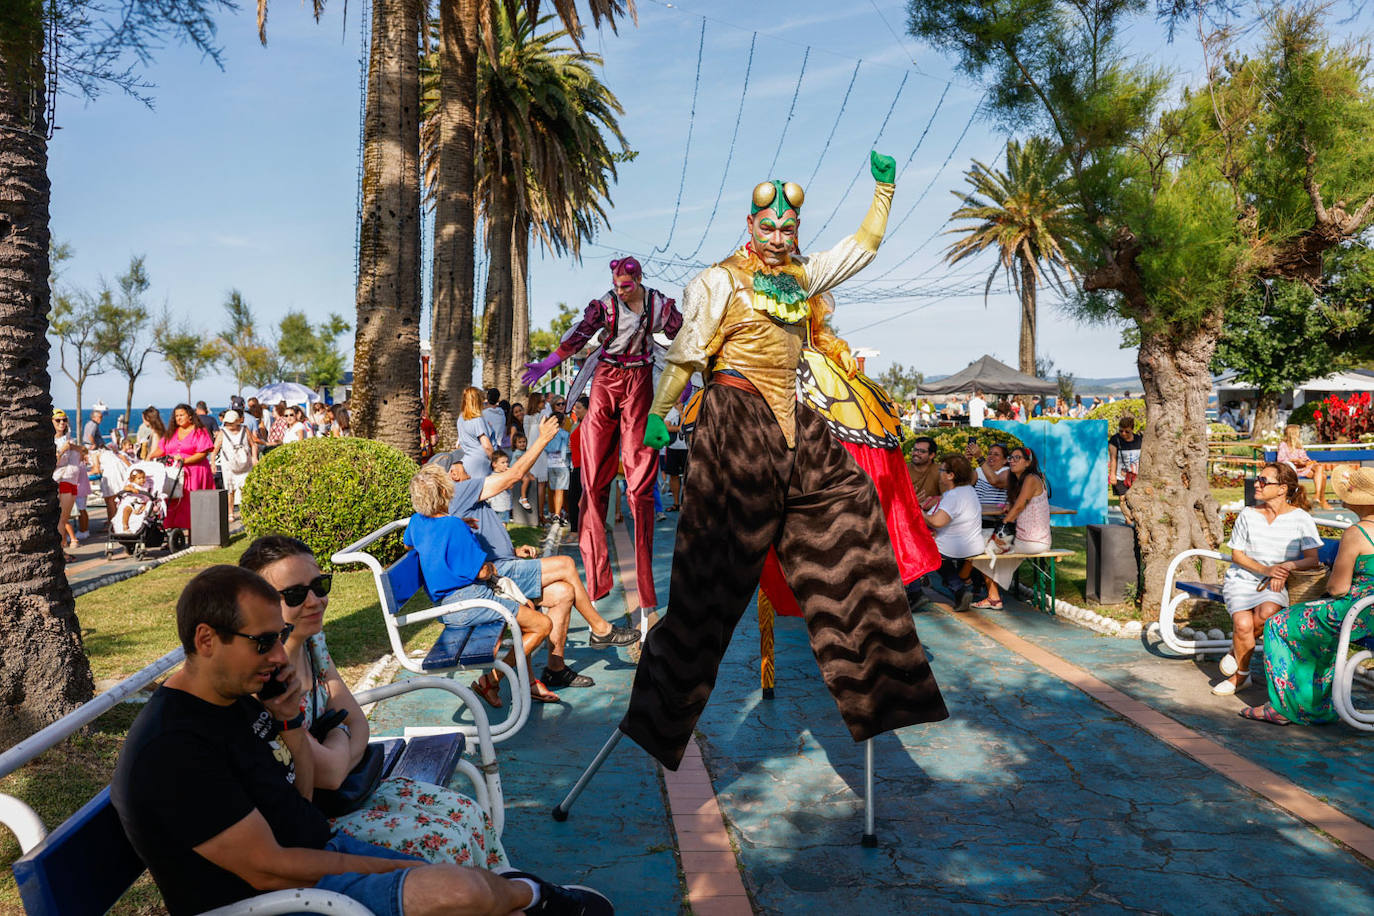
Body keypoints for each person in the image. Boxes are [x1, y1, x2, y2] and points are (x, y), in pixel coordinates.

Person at [621, 152, 948, 770]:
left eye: (787, 229)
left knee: (851, 518)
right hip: (733, 419)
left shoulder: (804, 276)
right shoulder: (719, 281)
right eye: (767, 228)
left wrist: (884, 190)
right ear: (749, 226)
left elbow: (863, 247)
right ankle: (658, 720)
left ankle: (882, 690)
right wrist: (663, 413)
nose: (777, 237)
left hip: (795, 422)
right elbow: (689, 354)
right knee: (708, 583)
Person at [110, 564, 612, 916]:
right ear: (205, 640)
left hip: (314, 857)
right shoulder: (173, 749)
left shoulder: (236, 697)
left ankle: (528, 897)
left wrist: (289, 723)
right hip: (278, 900)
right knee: (462, 891)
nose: (278, 657)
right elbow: (269, 871)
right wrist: (387, 865)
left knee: (472, 889)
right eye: (263, 642)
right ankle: (535, 895)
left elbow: (297, 802)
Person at [239, 536, 508, 865]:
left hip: (353, 790)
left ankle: (512, 897)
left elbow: (358, 725)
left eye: (320, 586)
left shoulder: (312, 642)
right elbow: (331, 772)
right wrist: (341, 734)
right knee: (448, 843)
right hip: (322, 819)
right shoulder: (265, 681)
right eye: (295, 594)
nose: (315, 601)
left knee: (469, 814)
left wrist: (339, 741)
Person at [521, 256, 684, 616]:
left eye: (626, 284)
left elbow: (685, 337)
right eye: (616, 283)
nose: (620, 290)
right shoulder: (605, 307)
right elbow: (578, 336)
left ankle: (646, 596)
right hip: (607, 381)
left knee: (641, 487)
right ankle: (597, 582)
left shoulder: (658, 305)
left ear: (638, 280)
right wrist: (547, 363)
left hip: (640, 380)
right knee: (593, 483)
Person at [442, 419, 640, 692]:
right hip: (498, 575)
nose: (468, 467)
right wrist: (542, 440)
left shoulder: (460, 496)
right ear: (452, 474)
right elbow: (513, 477)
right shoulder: (458, 491)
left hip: (504, 565)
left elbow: (473, 541)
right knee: (567, 564)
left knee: (562, 593)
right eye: (461, 464)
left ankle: (554, 670)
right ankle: (600, 629)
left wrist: (512, 550)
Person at [405, 464, 558, 705]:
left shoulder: (416, 522)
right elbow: (482, 571)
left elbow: (409, 545)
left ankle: (496, 682)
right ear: (445, 493)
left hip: (447, 606)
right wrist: (492, 568)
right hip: (470, 602)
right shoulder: (454, 526)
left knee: (527, 607)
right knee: (542, 625)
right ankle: (493, 679)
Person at [1243, 467, 1374, 725]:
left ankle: (1284, 707)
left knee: (1279, 624)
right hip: (1368, 612)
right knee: (1316, 631)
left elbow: (1338, 589)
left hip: (1356, 612)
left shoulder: (1357, 534)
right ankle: (1315, 705)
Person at [1211, 462, 1322, 697]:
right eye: (1257, 479)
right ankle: (1240, 676)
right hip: (1242, 579)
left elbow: (1312, 559)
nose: (1257, 484)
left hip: (1274, 583)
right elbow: (1237, 555)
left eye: (1264, 481)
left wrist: (1286, 566)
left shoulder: (1301, 519)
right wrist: (1267, 569)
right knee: (1243, 625)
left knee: (1268, 611)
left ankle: (1236, 653)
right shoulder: (1249, 515)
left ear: (1282, 489)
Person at [972, 446, 1053, 609]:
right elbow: (1019, 505)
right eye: (1011, 458)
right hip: (1031, 538)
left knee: (975, 546)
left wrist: (999, 531)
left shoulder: (1031, 478)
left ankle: (992, 596)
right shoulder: (1023, 479)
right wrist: (1011, 506)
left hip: (1031, 541)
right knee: (982, 544)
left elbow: (1018, 508)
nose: (1013, 461)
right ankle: (990, 594)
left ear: (1028, 462)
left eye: (1018, 458)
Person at [924, 455, 985, 611]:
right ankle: (958, 589)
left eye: (942, 470)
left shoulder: (954, 495)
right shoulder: (968, 490)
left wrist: (917, 511)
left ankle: (916, 589)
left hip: (955, 547)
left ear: (951, 475)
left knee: (920, 546)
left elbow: (937, 522)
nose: (940, 473)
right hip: (972, 544)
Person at [149, 404, 215, 532]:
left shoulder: (199, 431)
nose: (178, 418)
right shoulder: (172, 432)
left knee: (192, 504)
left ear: (190, 416)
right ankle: (172, 534)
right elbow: (162, 449)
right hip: (174, 473)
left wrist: (185, 461)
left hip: (195, 472)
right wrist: (149, 456)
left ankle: (194, 534)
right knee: (172, 502)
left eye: (181, 415)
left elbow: (203, 453)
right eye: (176, 416)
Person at [211, 410, 257, 524]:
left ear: (238, 421)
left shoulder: (244, 429)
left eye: (232, 422)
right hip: (229, 466)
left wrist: (254, 457)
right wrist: (212, 463)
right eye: (228, 423)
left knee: (246, 489)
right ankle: (230, 512)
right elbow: (214, 449)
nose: (229, 425)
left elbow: (253, 444)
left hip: (245, 465)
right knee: (230, 490)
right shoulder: (223, 432)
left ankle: (247, 511)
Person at [53, 409, 84, 559]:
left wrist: (72, 447)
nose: (62, 423)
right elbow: (53, 462)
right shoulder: (50, 440)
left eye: (64, 420)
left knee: (65, 518)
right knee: (61, 519)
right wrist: (63, 450)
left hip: (72, 480)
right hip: (62, 479)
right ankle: (59, 552)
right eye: (58, 420)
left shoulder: (67, 437)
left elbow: (82, 451)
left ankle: (62, 550)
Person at [1278, 423, 1331, 510]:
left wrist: (1306, 462)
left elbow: (1304, 457)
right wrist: (1296, 460)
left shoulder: (1298, 446)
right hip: (1293, 469)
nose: (1300, 435)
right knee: (1323, 476)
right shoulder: (1283, 445)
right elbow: (1281, 460)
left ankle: (1317, 496)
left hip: (1302, 467)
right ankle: (1321, 500)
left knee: (1319, 468)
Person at [522, 393, 550, 523]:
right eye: (542, 402)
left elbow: (527, 437)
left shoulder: (527, 418)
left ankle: (536, 515)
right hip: (541, 452)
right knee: (541, 485)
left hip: (531, 452)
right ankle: (539, 515)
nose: (544, 404)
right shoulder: (543, 417)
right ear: (536, 403)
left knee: (535, 484)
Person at [544, 398, 571, 525]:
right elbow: (565, 450)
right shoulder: (564, 434)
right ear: (563, 422)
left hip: (550, 464)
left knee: (554, 490)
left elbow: (546, 448)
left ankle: (555, 511)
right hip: (561, 464)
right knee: (560, 490)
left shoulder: (548, 434)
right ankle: (557, 514)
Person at [662, 395, 690, 512]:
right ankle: (676, 503)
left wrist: (680, 413)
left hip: (686, 448)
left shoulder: (689, 407)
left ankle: (687, 504)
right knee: (673, 476)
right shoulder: (669, 410)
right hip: (672, 447)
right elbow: (666, 427)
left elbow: (688, 425)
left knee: (688, 477)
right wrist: (679, 428)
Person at [971, 440, 1010, 522]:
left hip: (996, 520)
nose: (991, 456)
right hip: (976, 517)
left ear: (1005, 460)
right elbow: (962, 484)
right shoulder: (979, 471)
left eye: (996, 454)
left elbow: (995, 481)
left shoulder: (1008, 471)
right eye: (989, 454)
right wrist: (967, 460)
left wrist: (979, 458)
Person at [112, 468, 154, 536]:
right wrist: (132, 489)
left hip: (140, 503)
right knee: (126, 509)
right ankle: (125, 526)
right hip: (130, 502)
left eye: (143, 477)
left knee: (143, 509)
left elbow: (147, 497)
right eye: (139, 478)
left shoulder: (147, 485)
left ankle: (137, 523)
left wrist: (145, 504)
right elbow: (126, 488)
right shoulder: (132, 484)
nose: (142, 480)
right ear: (133, 480)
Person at [1107, 416, 1142, 497]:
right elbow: (1113, 458)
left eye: (1127, 431)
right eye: (1121, 431)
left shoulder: (1139, 439)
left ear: (1132, 429)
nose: (1123, 433)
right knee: (1123, 499)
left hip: (1136, 477)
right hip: (1120, 477)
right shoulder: (1115, 439)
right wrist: (1112, 475)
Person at [906, 436, 941, 510]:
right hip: (905, 512)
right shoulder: (903, 470)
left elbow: (948, 496)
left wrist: (926, 504)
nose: (916, 453)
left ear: (932, 455)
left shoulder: (940, 471)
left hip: (930, 516)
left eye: (922, 451)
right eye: (915, 450)